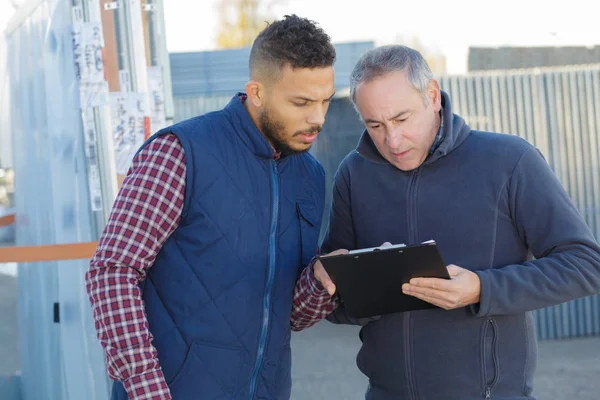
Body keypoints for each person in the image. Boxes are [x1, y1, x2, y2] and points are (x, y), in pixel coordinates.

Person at [85, 15, 344, 400]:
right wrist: (147, 389)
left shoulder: (310, 176)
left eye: (325, 100)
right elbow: (112, 272)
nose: (318, 118)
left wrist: (321, 281)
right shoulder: (180, 153)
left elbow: (290, 315)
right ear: (256, 92)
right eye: (301, 102)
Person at [319, 45, 600, 399]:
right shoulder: (353, 174)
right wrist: (357, 285)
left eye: (402, 119)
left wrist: (482, 289)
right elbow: (336, 303)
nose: (391, 140)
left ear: (432, 96)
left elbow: (586, 265)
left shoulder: (509, 160)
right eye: (375, 125)